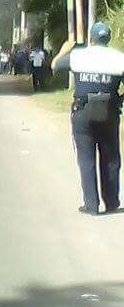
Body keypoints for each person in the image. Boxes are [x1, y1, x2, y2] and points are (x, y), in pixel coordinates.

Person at [52, 22, 124, 215]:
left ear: (91, 38)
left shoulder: (78, 56)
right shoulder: (119, 58)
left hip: (83, 112)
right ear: (108, 38)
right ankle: (112, 203)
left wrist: (63, 50)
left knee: (86, 158)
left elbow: (54, 66)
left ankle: (91, 205)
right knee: (110, 158)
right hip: (109, 111)